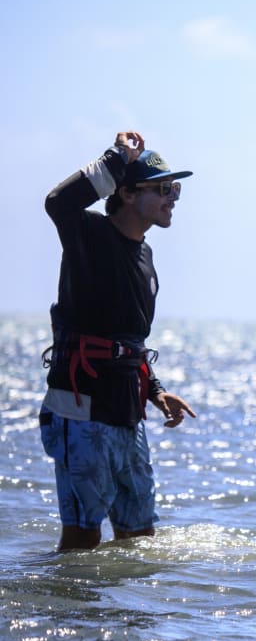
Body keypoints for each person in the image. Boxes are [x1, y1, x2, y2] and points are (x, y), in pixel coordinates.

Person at [39, 131, 196, 551]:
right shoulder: (89, 234)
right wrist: (114, 159)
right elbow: (58, 202)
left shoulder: (145, 255)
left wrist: (158, 392)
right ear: (126, 193)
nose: (172, 197)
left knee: (139, 540)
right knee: (83, 537)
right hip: (80, 406)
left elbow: (130, 339)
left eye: (174, 188)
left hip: (128, 411)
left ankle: (128, 616)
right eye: (162, 189)